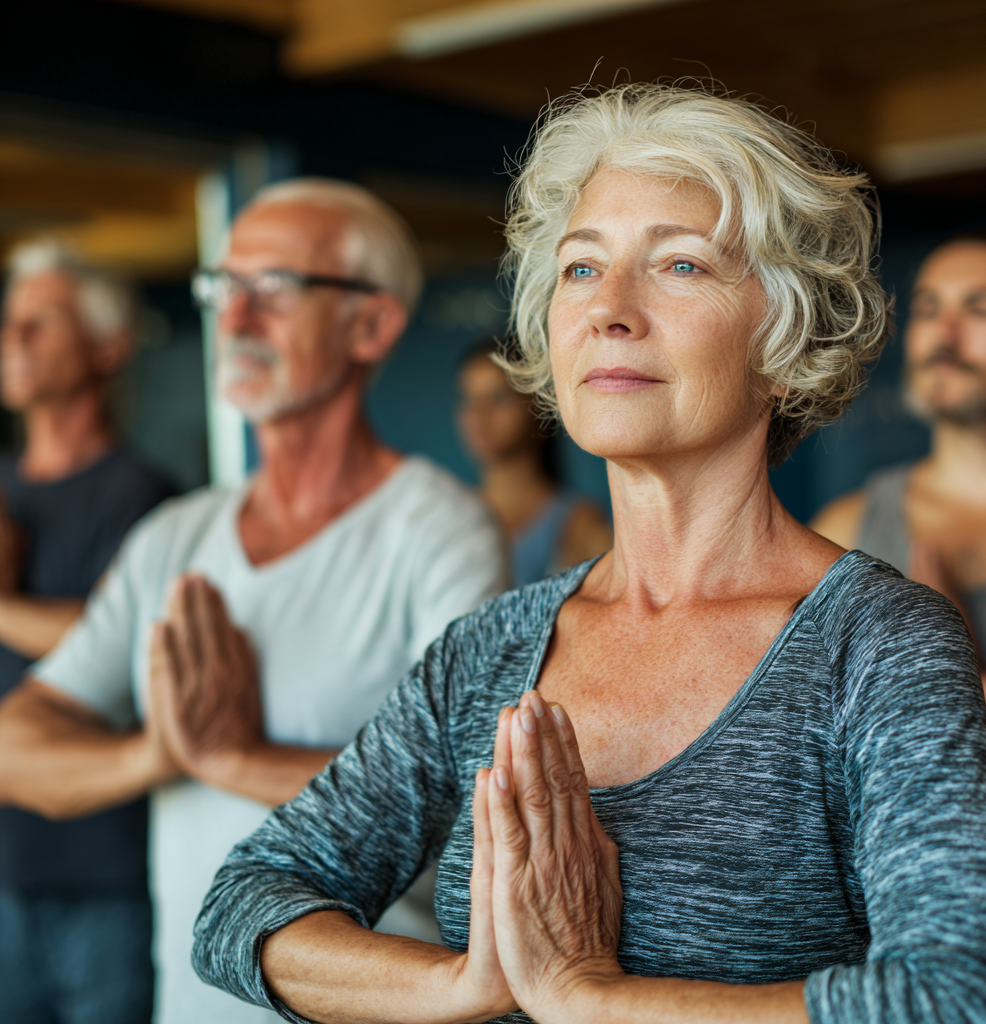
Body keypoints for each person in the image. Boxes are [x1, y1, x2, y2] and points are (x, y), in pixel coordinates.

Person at [193, 86, 986, 1024]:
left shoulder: (876, 643)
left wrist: (591, 999)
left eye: (679, 264)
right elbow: (243, 905)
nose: (610, 310)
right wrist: (464, 983)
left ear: (786, 342)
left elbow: (961, 994)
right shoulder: (489, 650)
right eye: (582, 270)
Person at [0, 179, 506, 1024]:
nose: (233, 322)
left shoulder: (441, 531)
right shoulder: (174, 534)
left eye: (272, 291)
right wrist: (161, 755)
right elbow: (16, 743)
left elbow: (477, 805)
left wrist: (238, 757)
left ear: (370, 325)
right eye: (221, 290)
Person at [0, 240, 174, 1024]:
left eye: (42, 322)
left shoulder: (145, 498)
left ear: (107, 348)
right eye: (11, 321)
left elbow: (128, 642)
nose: (15, 338)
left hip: (104, 875)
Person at [812, 232, 986, 817]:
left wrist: (967, 679)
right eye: (929, 308)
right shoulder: (846, 527)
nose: (944, 334)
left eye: (981, 308)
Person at [457, 339, 612, 586]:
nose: (478, 413)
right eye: (469, 398)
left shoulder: (581, 528)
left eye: (498, 397)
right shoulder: (449, 515)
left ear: (541, 406)